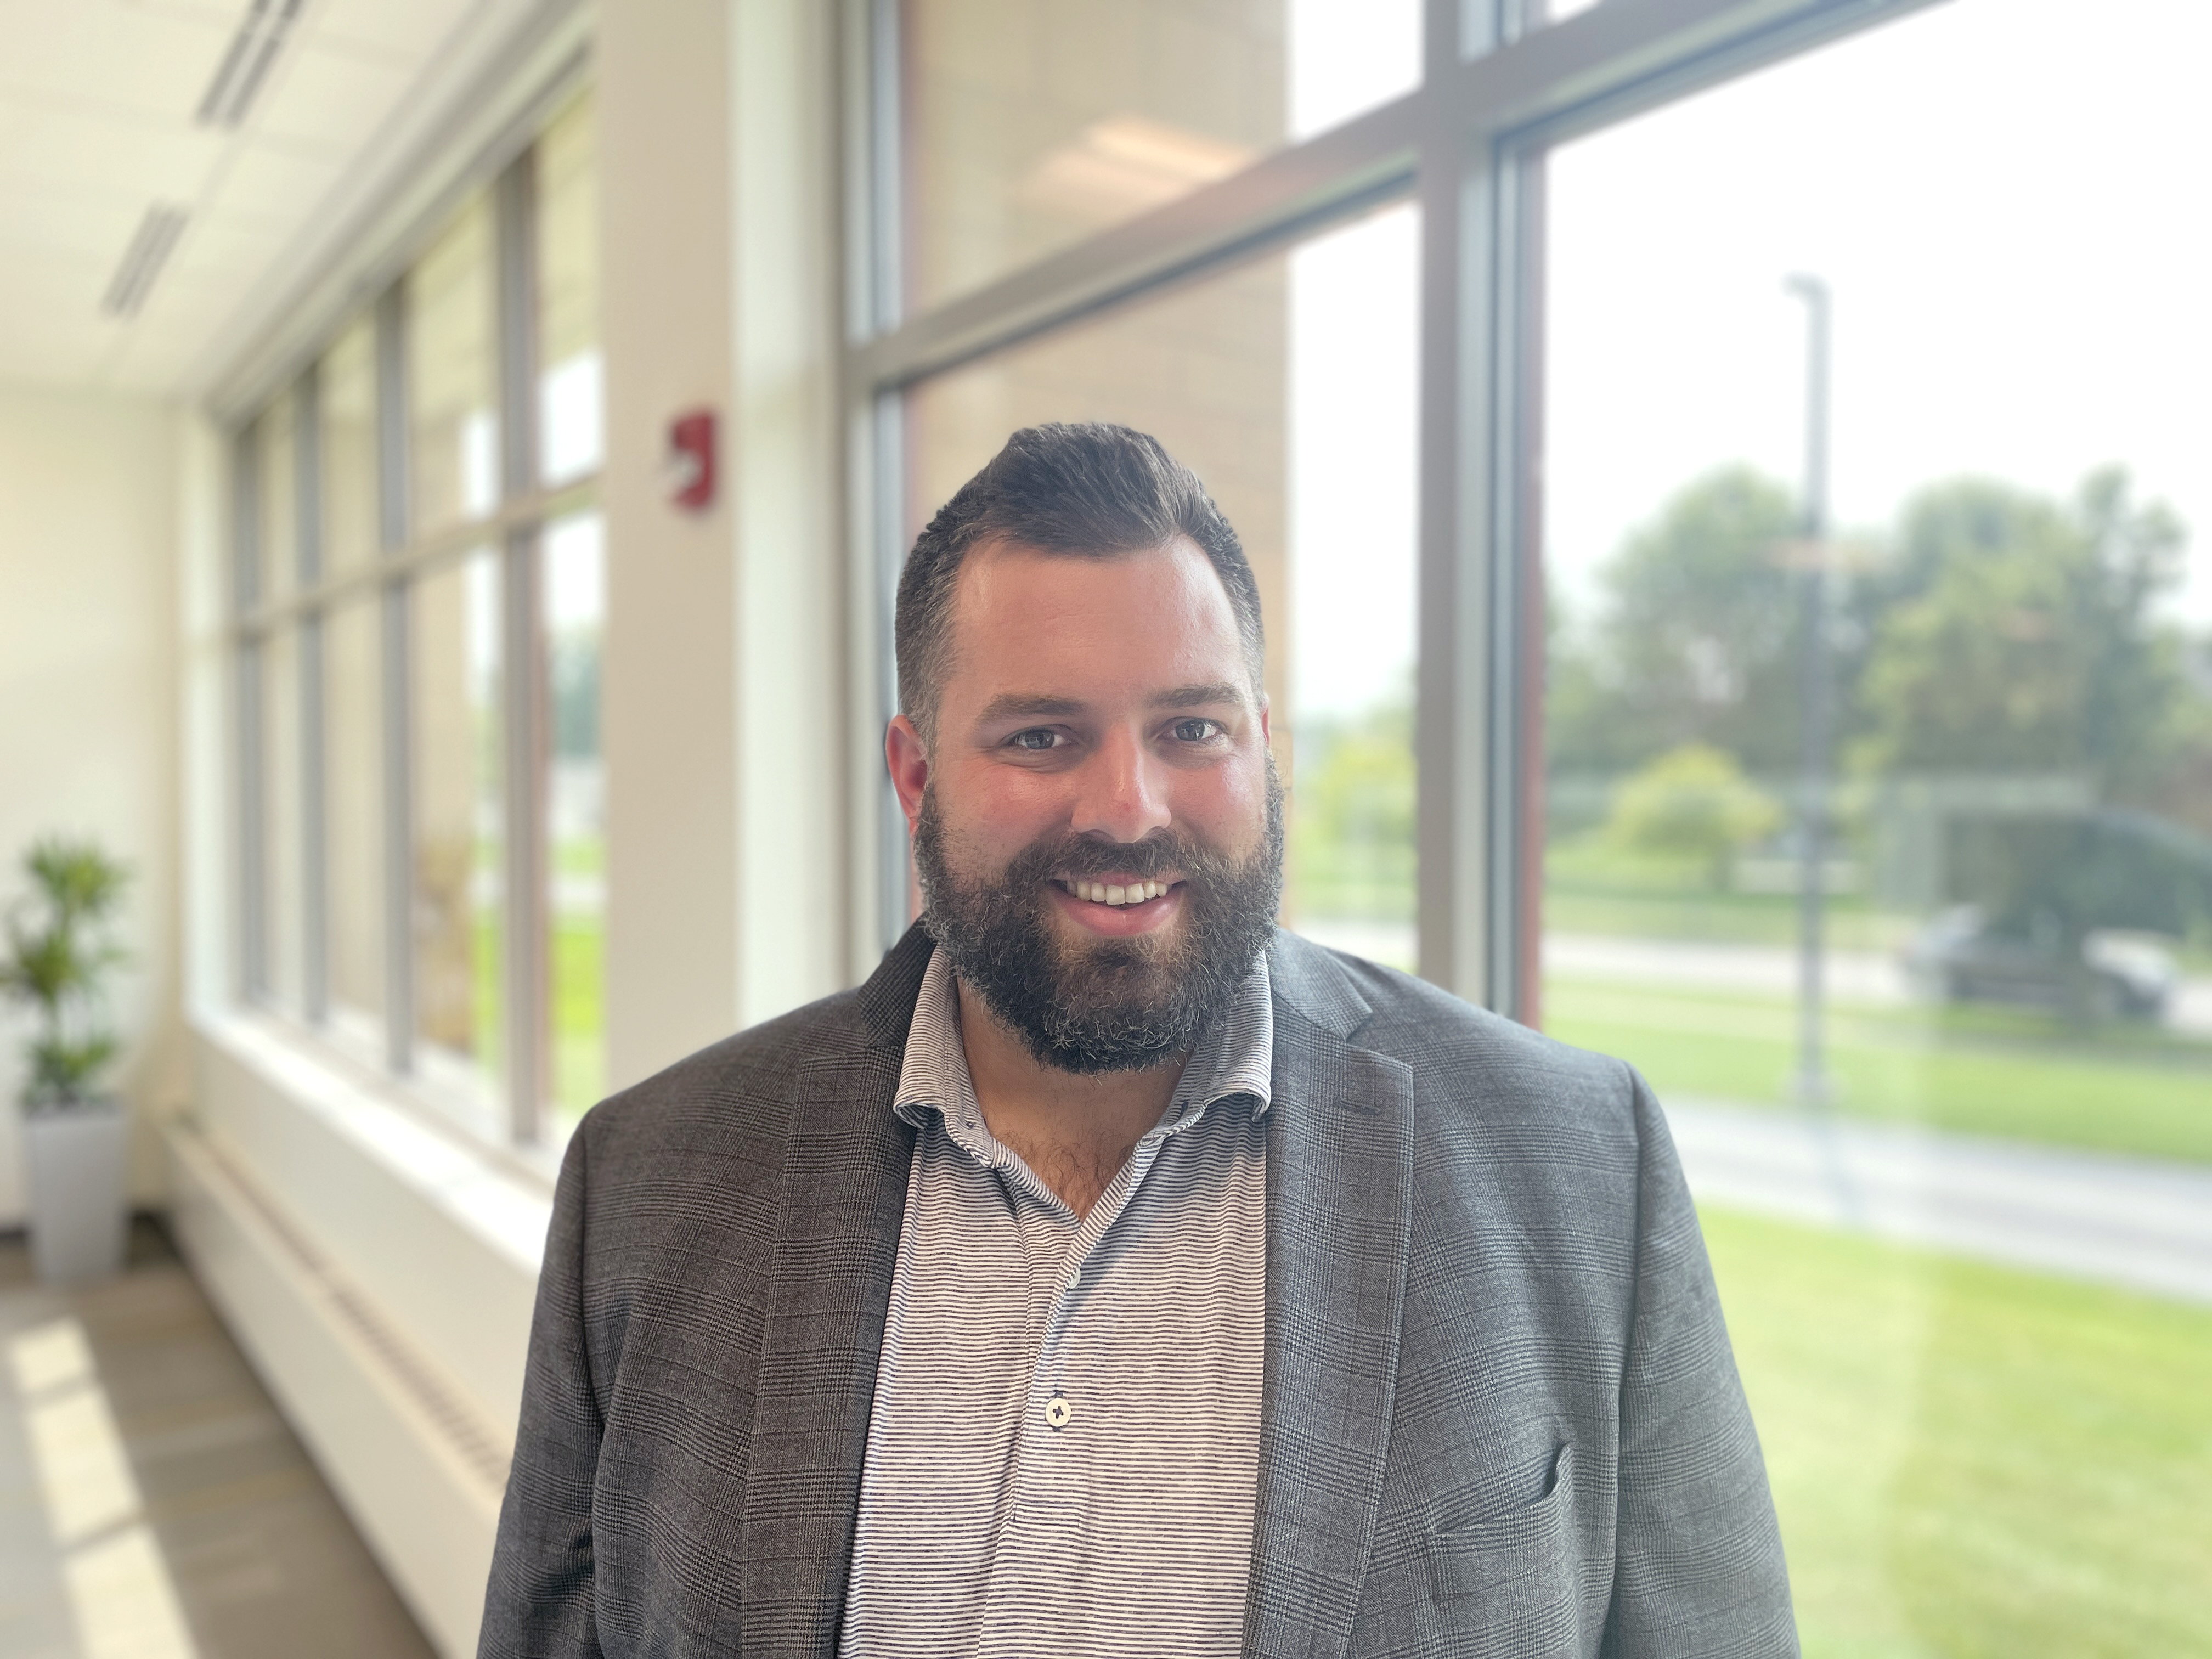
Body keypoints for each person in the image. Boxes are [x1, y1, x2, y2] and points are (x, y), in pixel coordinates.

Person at [478, 422, 1796, 1658]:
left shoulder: (1576, 1166)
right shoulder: (649, 1183)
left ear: (1266, 751)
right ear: (915, 776)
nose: (1128, 806)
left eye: (1192, 729)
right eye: (1043, 735)